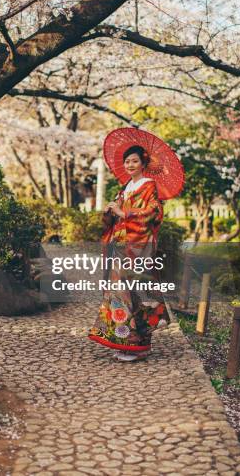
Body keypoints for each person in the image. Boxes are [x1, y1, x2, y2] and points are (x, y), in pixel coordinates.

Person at [88, 144, 170, 362]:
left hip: (137, 246)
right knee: (123, 294)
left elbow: (153, 212)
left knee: (130, 292)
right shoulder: (125, 187)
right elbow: (115, 218)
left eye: (134, 161)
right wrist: (110, 212)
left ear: (143, 163)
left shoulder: (148, 185)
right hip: (121, 245)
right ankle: (131, 343)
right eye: (127, 162)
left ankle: (135, 344)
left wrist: (124, 212)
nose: (130, 165)